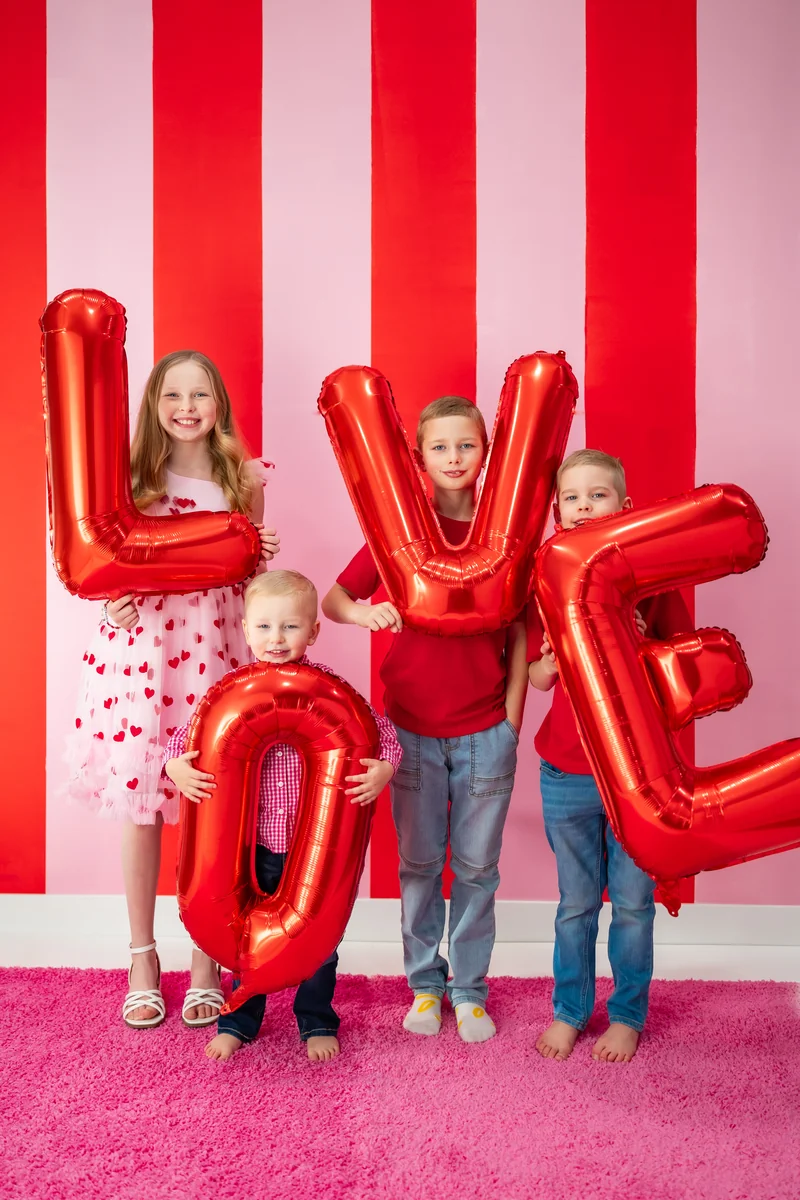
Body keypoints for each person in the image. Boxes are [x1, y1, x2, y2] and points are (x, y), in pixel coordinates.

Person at [64, 350, 279, 1030]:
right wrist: (112, 604)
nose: (187, 408)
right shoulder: (130, 478)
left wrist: (261, 558)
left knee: (211, 808)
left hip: (214, 653)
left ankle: (205, 960)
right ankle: (141, 958)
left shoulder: (243, 479)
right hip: (143, 660)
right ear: (153, 405)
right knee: (143, 808)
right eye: (173, 396)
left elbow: (251, 584)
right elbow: (95, 564)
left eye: (200, 395)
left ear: (219, 405)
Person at [322, 397, 528, 1043]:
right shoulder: (401, 534)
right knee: (418, 865)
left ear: (487, 453)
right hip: (409, 732)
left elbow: (522, 631)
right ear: (418, 457)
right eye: (440, 447)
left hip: (485, 733)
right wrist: (365, 613)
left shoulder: (505, 534)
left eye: (467, 445)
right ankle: (424, 986)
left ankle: (469, 991)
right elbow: (334, 599)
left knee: (476, 870)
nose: (454, 458)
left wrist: (512, 722)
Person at [164, 569, 402, 1062]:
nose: (276, 638)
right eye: (265, 627)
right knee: (242, 936)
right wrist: (174, 766)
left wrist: (386, 769)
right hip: (250, 848)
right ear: (246, 630)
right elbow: (188, 739)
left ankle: (316, 1019)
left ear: (313, 632)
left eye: (290, 627)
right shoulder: (229, 694)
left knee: (318, 944)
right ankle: (238, 1020)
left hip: (311, 850)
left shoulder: (331, 692)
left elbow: (382, 734)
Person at [528, 449, 692, 1063]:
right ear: (557, 513)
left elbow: (683, 673)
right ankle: (569, 1010)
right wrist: (549, 659)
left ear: (625, 508)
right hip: (565, 770)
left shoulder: (653, 580)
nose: (584, 507)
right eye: (572, 498)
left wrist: (644, 649)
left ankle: (626, 1014)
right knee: (575, 905)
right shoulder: (547, 581)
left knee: (632, 902)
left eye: (597, 495)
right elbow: (537, 678)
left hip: (638, 777)